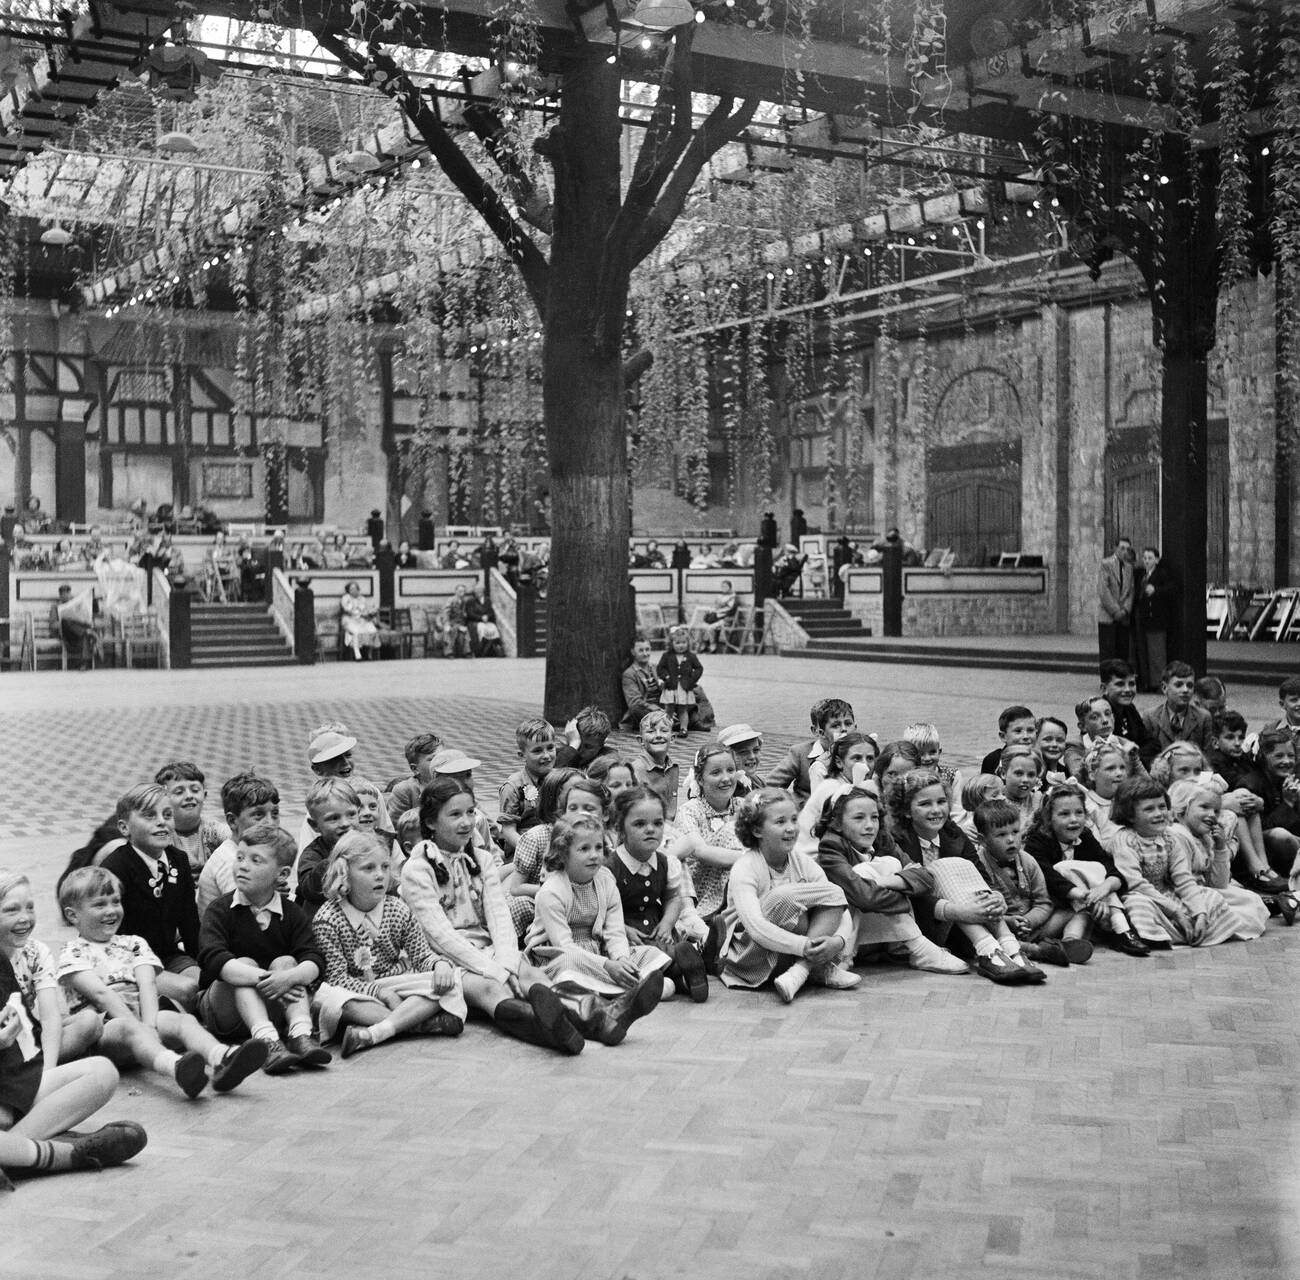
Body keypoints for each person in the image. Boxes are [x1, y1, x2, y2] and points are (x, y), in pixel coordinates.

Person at [400, 779, 585, 1055]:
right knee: (491, 988)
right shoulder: (418, 869)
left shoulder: (482, 860)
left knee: (529, 972)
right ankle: (555, 1034)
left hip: (486, 950)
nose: (466, 822)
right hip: (442, 959)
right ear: (430, 823)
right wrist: (493, 970)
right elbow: (439, 935)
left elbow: (499, 917)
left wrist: (507, 960)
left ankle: (597, 1019)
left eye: (471, 812)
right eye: (455, 815)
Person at [55, 868, 268, 1099]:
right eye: (99, 905)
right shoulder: (72, 952)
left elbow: (147, 985)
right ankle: (176, 1067)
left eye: (115, 901)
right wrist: (140, 1028)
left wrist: (150, 1026)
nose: (111, 910)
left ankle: (222, 1058)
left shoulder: (133, 943)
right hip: (106, 1029)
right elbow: (100, 994)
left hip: (142, 1015)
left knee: (183, 1020)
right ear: (73, 915)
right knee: (129, 1028)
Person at [310, 831, 466, 1057]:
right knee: (331, 999)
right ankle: (416, 1024)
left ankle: (376, 1032)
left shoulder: (397, 908)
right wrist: (380, 993)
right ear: (344, 873)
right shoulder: (328, 918)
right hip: (357, 992)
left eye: (384, 867)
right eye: (368, 868)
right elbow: (337, 978)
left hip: (395, 984)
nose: (380, 875)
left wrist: (439, 965)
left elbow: (422, 956)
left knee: (450, 981)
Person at [196, 822, 331, 1074]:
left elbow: (314, 957)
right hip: (224, 1010)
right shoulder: (221, 910)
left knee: (288, 962)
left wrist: (289, 976)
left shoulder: (291, 912)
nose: (243, 865)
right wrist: (270, 980)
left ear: (281, 874)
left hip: (274, 1005)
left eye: (255, 860)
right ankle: (266, 1040)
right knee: (243, 965)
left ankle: (300, 1032)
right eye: (240, 857)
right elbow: (213, 960)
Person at [0, 956, 147, 1187]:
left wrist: (7, 1103)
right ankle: (59, 1155)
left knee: (101, 1072)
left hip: (8, 1090)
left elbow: (20, 1046)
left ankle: (13, 1153)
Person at [523, 815, 667, 1044]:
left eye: (598, 847)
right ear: (562, 853)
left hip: (599, 951)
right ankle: (617, 996)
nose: (594, 855)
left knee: (649, 956)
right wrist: (607, 966)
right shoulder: (551, 892)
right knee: (568, 968)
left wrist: (620, 958)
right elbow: (563, 946)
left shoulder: (605, 879)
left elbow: (614, 930)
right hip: (559, 956)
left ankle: (619, 990)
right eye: (584, 849)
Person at [717, 789, 858, 1003]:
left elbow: (838, 903)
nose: (791, 828)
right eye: (780, 822)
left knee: (828, 894)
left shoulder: (802, 861)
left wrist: (838, 942)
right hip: (752, 956)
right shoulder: (745, 867)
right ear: (756, 830)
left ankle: (802, 970)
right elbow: (756, 927)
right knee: (786, 897)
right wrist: (804, 946)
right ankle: (812, 965)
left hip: (789, 954)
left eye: (794, 819)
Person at [812, 786, 965, 974]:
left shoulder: (882, 840)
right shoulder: (830, 847)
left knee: (888, 863)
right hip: (846, 935)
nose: (869, 825)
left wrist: (884, 882)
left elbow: (925, 878)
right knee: (863, 871)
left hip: (882, 938)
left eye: (874, 817)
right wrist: (903, 895)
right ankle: (915, 948)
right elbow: (864, 897)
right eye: (859, 818)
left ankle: (910, 948)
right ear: (838, 823)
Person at [1107, 777, 1246, 948]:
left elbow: (1183, 879)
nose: (1159, 814)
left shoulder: (1169, 838)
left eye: (1162, 807)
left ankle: (1189, 931)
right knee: (1138, 905)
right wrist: (1176, 912)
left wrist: (1200, 913)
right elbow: (1135, 884)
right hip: (1141, 895)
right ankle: (1156, 936)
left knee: (1211, 897)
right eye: (1149, 809)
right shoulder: (1125, 840)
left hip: (1166, 893)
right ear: (1130, 815)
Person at [99, 785, 200, 1011]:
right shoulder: (115, 868)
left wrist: (204, 960)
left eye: (167, 815)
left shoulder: (178, 860)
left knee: (203, 981)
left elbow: (189, 921)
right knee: (187, 990)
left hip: (167, 955)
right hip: (128, 962)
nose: (161, 822)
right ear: (125, 827)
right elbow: (103, 931)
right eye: (149, 815)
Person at [606, 788, 710, 1001]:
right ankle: (688, 970)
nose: (650, 830)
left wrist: (667, 922)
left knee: (667, 949)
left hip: (656, 930)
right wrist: (624, 930)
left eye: (658, 823)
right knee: (647, 959)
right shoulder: (610, 868)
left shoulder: (665, 862)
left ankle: (689, 967)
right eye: (639, 824)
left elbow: (673, 898)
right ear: (620, 828)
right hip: (626, 938)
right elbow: (602, 911)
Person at [1022, 785, 1148, 957]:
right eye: (1064, 814)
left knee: (1086, 910)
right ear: (1049, 818)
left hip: (1080, 906)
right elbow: (1050, 878)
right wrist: (1087, 897)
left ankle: (1069, 944)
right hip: (1050, 909)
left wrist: (1102, 891)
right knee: (1064, 869)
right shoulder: (1037, 842)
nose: (1074, 820)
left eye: (1079, 813)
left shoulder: (1085, 837)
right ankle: (1121, 929)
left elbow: (1109, 868)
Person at [1167, 782, 1269, 941]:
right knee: (1245, 913)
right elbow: (1182, 883)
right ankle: (1208, 928)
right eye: (1204, 807)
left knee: (1253, 900)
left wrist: (1220, 847)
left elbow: (1219, 883)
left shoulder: (1204, 837)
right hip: (1184, 895)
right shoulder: (1178, 835)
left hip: (1204, 890)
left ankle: (1222, 924)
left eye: (1216, 810)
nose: (1212, 815)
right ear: (1182, 808)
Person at [676, 743, 748, 920]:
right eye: (716, 773)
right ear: (700, 779)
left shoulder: (742, 805)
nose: (726, 778)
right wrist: (749, 859)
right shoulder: (690, 810)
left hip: (740, 877)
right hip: (702, 882)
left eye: (730, 770)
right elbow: (701, 851)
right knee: (733, 829)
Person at [196, 774, 281, 917]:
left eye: (275, 813)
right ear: (232, 821)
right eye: (258, 815)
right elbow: (248, 921)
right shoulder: (231, 863)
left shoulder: (249, 854)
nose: (271, 823)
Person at [767, 697, 857, 803]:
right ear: (819, 732)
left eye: (848, 723)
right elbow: (769, 787)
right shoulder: (800, 753)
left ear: (855, 726)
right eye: (835, 725)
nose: (844, 729)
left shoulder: (864, 753)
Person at [294, 779, 360, 918]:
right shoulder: (313, 854)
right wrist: (335, 861)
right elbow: (308, 889)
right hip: (326, 921)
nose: (345, 823)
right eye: (334, 818)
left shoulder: (368, 844)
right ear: (315, 825)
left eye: (351, 814)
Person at [154, 762, 229, 874]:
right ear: (162, 800)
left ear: (205, 795)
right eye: (179, 792)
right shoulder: (161, 833)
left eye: (195, 790)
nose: (189, 796)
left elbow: (237, 838)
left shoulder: (212, 830)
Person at [497, 717, 556, 854]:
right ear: (522, 755)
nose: (546, 755)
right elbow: (508, 831)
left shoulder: (560, 780)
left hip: (554, 848)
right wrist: (531, 850)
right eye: (537, 751)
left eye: (550, 748)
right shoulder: (513, 787)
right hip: (523, 850)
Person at [1142, 661, 1213, 754]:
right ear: (1164, 687)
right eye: (1179, 685)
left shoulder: (1203, 717)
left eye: (1190, 685)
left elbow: (1208, 756)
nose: (1185, 690)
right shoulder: (1150, 717)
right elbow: (1146, 755)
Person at [1134, 546, 1179, 691]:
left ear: (1157, 560)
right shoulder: (1142, 575)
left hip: (1157, 620)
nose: (1147, 561)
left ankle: (1159, 683)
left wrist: (1156, 590)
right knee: (1145, 653)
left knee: (1157, 654)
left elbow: (1173, 588)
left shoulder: (1161, 574)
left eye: (1150, 558)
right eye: (1145, 558)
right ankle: (1148, 682)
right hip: (1144, 619)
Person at [631, 710, 680, 821]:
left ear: (672, 738)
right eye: (651, 731)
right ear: (640, 740)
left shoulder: (673, 768)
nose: (658, 735)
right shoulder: (635, 770)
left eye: (664, 731)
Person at [1097, 535, 1136, 666]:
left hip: (1123, 617)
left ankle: (1120, 680)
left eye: (1127, 549)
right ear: (1115, 548)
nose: (1124, 552)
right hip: (1108, 616)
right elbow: (1104, 591)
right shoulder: (1105, 564)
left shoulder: (1129, 568)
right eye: (1122, 548)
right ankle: (1107, 681)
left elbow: (1131, 591)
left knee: (1122, 652)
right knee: (1107, 653)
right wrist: (1115, 611)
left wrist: (1125, 609)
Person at [657, 626, 702, 737]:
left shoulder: (691, 656)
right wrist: (666, 677)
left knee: (683, 709)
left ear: (688, 643)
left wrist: (691, 680)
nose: (681, 645)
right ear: (671, 643)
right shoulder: (667, 656)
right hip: (671, 686)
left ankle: (683, 729)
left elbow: (699, 668)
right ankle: (666, 728)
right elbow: (660, 668)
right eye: (677, 643)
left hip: (684, 687)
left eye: (683, 642)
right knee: (669, 709)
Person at [48, 583, 100, 670]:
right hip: (65, 633)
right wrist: (62, 621)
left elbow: (93, 612)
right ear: (60, 596)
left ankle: (84, 663)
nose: (67, 597)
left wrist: (92, 599)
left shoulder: (75, 604)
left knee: (85, 635)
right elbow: (53, 625)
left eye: (68, 594)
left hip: (77, 633)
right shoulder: (55, 607)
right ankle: (89, 632)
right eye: (64, 595)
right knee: (66, 621)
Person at [621, 635, 663, 729]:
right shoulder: (629, 674)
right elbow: (634, 701)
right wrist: (654, 708)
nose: (645, 653)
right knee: (636, 710)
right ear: (633, 652)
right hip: (646, 710)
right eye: (641, 650)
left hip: (662, 706)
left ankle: (668, 722)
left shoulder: (656, 668)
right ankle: (665, 722)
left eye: (647, 649)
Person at [978, 705, 1037, 773]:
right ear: (1003, 736)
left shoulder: (1041, 759)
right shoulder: (992, 760)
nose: (1025, 736)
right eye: (1018, 731)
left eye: (1030, 730)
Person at [339, 580, 381, 661]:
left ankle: (369, 654)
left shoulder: (362, 598)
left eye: (355, 589)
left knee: (372, 630)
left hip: (362, 620)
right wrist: (357, 613)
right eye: (351, 589)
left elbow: (366, 609)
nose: (354, 591)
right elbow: (347, 609)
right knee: (356, 632)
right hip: (349, 620)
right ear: (348, 590)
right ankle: (357, 654)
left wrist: (370, 613)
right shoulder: (346, 598)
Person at [700, 580, 739, 653]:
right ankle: (705, 644)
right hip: (717, 618)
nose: (724, 588)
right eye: (722, 586)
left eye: (726, 586)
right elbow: (716, 606)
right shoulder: (720, 596)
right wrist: (712, 611)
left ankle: (713, 646)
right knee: (704, 626)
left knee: (711, 627)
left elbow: (730, 609)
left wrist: (718, 612)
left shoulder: (733, 597)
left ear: (730, 587)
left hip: (727, 619)